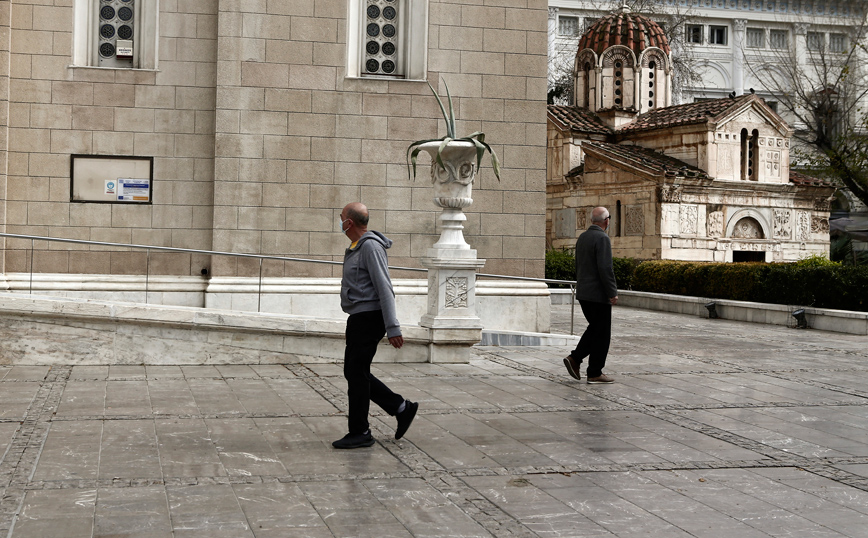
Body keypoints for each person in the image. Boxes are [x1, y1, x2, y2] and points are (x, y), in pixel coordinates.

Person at [332, 202, 418, 449]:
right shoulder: (358, 247)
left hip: (369, 319)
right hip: (359, 319)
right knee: (355, 372)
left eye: (341, 218)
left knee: (356, 374)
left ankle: (361, 431)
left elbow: (385, 288)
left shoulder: (370, 247)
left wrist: (393, 327)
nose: (339, 222)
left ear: (349, 222)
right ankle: (401, 408)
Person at [563, 206, 618, 384]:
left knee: (595, 329)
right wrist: (612, 292)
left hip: (584, 292)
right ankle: (592, 370)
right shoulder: (602, 238)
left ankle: (577, 360)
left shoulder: (583, 237)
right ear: (606, 220)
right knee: (602, 333)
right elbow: (605, 268)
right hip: (598, 294)